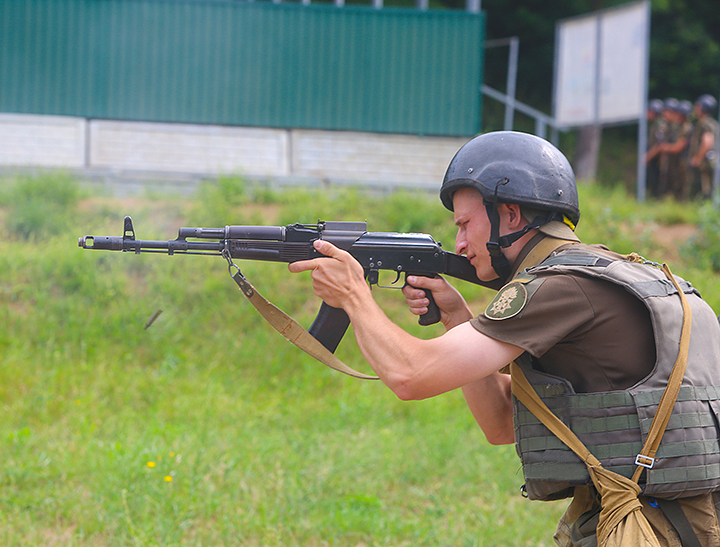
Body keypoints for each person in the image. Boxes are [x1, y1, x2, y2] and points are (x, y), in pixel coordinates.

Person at [288, 131, 720, 546]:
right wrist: (457, 317)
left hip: (648, 529)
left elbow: (409, 375)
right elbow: (499, 423)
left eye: (464, 224)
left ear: (510, 215)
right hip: (683, 520)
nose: (459, 244)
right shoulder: (635, 278)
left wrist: (353, 295)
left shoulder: (559, 287)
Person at [688, 94, 719, 200]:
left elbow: (707, 142)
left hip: (705, 164)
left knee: (705, 192)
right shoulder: (712, 123)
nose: (695, 108)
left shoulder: (705, 124)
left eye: (698, 106)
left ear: (704, 108)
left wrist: (698, 159)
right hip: (709, 162)